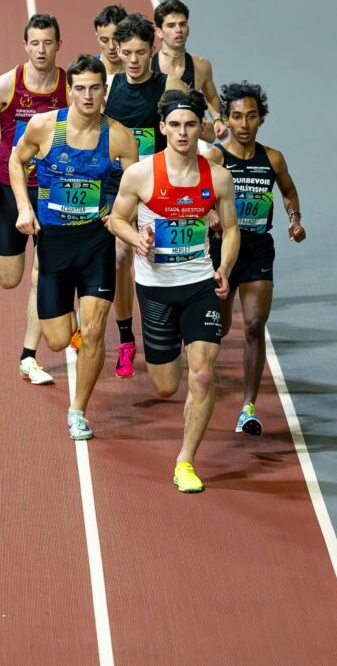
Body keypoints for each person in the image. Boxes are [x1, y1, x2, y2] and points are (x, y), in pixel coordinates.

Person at [108, 89, 239, 492]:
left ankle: (185, 461)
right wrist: (136, 239)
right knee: (167, 385)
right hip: (156, 289)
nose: (182, 133)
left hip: (199, 285)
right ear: (162, 128)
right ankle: (170, 361)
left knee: (201, 375)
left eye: (190, 125)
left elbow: (232, 229)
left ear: (200, 128)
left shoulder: (217, 176)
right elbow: (115, 218)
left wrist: (224, 267)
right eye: (175, 125)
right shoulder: (141, 174)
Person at [11, 55, 138, 440]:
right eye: (80, 87)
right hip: (53, 242)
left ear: (104, 91)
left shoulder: (119, 136)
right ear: (70, 91)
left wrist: (118, 217)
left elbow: (131, 184)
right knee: (58, 340)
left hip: (95, 241)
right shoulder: (44, 126)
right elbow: (18, 163)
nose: (87, 94)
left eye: (94, 88)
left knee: (96, 329)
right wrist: (22, 206)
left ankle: (78, 409)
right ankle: (75, 328)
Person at [0, 14, 67, 386]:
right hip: (12, 186)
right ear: (24, 45)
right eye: (35, 43)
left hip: (53, 190)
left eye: (48, 42)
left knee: (43, 271)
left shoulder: (70, 87)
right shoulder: (7, 83)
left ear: (59, 44)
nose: (41, 50)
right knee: (10, 278)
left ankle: (28, 356)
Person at [104, 13, 202, 379]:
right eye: (126, 52)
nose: (132, 60)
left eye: (140, 52)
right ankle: (128, 339)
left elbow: (189, 129)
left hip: (162, 186)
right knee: (120, 257)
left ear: (152, 50)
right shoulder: (110, 87)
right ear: (117, 50)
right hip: (121, 186)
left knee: (166, 258)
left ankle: (174, 325)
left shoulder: (168, 85)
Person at [204, 81, 305, 435]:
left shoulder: (272, 158)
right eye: (236, 117)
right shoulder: (215, 157)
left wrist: (294, 219)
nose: (244, 124)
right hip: (222, 250)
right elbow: (195, 192)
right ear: (226, 121)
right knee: (219, 326)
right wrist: (208, 214)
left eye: (251, 116)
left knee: (253, 326)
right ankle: (202, 375)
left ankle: (248, 406)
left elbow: (289, 191)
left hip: (259, 248)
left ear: (261, 119)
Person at [151, 0, 227, 141]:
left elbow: (212, 97)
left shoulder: (201, 66)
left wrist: (218, 119)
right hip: (153, 146)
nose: (178, 30)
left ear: (188, 29)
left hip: (185, 145)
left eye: (182, 24)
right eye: (171, 25)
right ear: (159, 32)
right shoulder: (148, 67)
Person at [93, 4, 127, 89]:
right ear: (97, 37)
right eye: (104, 40)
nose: (111, 46)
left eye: (116, 39)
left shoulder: (145, 69)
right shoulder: (88, 73)